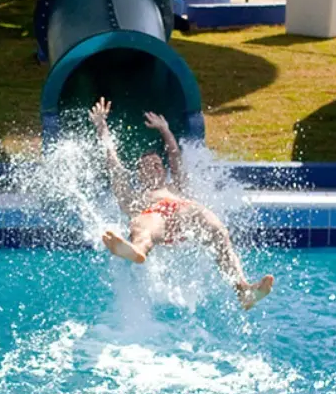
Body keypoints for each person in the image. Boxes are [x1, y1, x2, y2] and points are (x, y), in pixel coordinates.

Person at [89, 97, 274, 310]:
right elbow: (113, 164)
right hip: (155, 217)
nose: (155, 167)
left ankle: (243, 290)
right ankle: (137, 249)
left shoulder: (175, 188)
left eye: (158, 164)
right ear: (139, 174)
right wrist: (101, 127)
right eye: (148, 165)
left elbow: (174, 155)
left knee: (216, 228)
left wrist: (165, 129)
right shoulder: (135, 197)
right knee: (147, 223)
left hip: (185, 215)